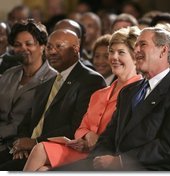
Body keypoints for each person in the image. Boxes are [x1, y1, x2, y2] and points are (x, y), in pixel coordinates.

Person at [51, 27, 170, 171]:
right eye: (136, 46)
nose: (136, 50)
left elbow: (167, 148)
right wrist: (97, 159)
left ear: (163, 50)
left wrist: (120, 161)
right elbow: (108, 136)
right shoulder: (129, 91)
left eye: (143, 44)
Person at [23, 26, 142, 171]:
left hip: (107, 155)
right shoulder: (100, 93)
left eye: (121, 52)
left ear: (136, 57)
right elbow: (81, 127)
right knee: (40, 150)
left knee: (43, 169)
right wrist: (87, 135)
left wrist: (96, 141)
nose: (113, 57)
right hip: (83, 150)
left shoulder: (140, 92)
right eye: (111, 52)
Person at [0, 29, 106, 170]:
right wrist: (22, 143)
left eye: (59, 46)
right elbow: (27, 121)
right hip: (25, 150)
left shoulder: (90, 80)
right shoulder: (47, 83)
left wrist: (34, 142)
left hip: (54, 151)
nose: (52, 52)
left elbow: (76, 126)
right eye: (49, 47)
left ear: (75, 49)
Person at [0, 19, 56, 163]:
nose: (23, 49)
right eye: (18, 45)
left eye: (29, 44)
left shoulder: (53, 78)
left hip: (22, 145)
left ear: (42, 46)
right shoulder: (9, 74)